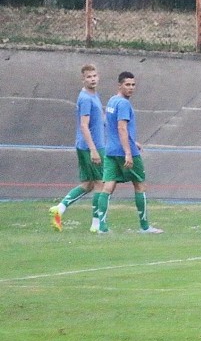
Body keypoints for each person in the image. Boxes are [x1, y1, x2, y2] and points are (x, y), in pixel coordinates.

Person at [97, 71, 163, 234]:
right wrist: (128, 151)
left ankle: (102, 227)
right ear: (119, 85)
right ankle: (145, 227)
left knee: (108, 186)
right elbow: (121, 127)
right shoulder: (124, 104)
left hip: (111, 150)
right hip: (125, 151)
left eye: (133, 85)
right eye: (127, 84)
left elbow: (107, 123)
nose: (131, 88)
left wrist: (133, 141)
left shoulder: (112, 100)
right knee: (140, 185)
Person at [49, 63, 105, 233]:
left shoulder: (94, 95)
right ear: (83, 79)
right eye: (89, 77)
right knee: (100, 184)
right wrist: (93, 149)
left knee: (88, 184)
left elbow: (101, 119)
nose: (92, 79)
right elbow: (84, 125)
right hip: (91, 146)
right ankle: (96, 224)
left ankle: (61, 208)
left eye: (94, 76)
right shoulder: (86, 98)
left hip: (90, 145)